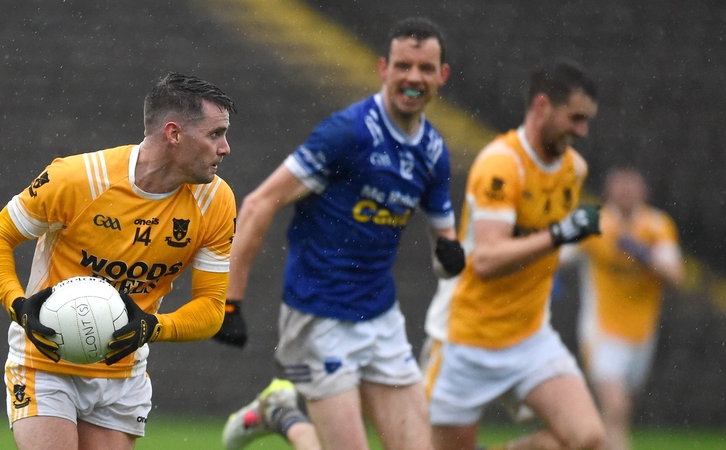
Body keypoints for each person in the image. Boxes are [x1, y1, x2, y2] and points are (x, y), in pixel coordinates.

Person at [216, 17, 465, 450]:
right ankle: (286, 416)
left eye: (425, 69)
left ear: (441, 76)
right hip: (319, 315)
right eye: (404, 66)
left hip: (380, 317)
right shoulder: (347, 133)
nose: (413, 78)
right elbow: (259, 203)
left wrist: (449, 255)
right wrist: (230, 301)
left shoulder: (434, 153)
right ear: (383, 68)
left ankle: (281, 410)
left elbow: (445, 249)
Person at [0, 72, 238, 450]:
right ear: (174, 134)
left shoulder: (216, 201)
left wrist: (151, 327)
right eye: (216, 134)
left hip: (122, 375)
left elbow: (212, 309)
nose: (225, 148)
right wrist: (19, 306)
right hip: (44, 364)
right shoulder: (77, 178)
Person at [424, 58, 606, 450]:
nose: (582, 130)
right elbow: (487, 261)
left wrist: (560, 238)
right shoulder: (501, 165)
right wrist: (560, 234)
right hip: (466, 337)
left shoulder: (574, 169)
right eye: (575, 118)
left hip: (529, 337)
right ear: (541, 106)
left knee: (588, 439)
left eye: (587, 120)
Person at [569, 167, 683, 450]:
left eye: (632, 189)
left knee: (619, 414)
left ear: (644, 193)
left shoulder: (657, 225)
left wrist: (644, 253)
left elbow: (676, 276)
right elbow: (555, 255)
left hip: (641, 334)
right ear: (608, 193)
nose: (626, 195)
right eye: (620, 190)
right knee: (615, 408)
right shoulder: (593, 223)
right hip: (601, 331)